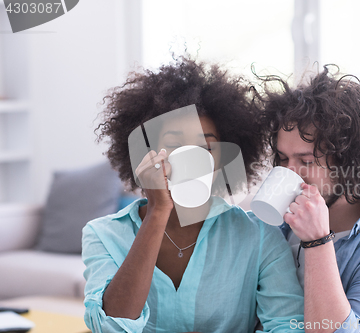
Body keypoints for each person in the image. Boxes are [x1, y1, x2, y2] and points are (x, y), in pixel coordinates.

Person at [83, 56, 304, 333]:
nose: (193, 158)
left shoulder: (258, 237)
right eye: (174, 144)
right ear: (147, 153)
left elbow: (289, 327)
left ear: (222, 159)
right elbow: (111, 326)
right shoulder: (103, 235)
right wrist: (157, 212)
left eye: (206, 148)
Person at [255, 65, 360, 332]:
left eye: (306, 161)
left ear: (349, 161)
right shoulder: (271, 223)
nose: (290, 173)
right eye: (284, 159)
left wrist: (317, 241)